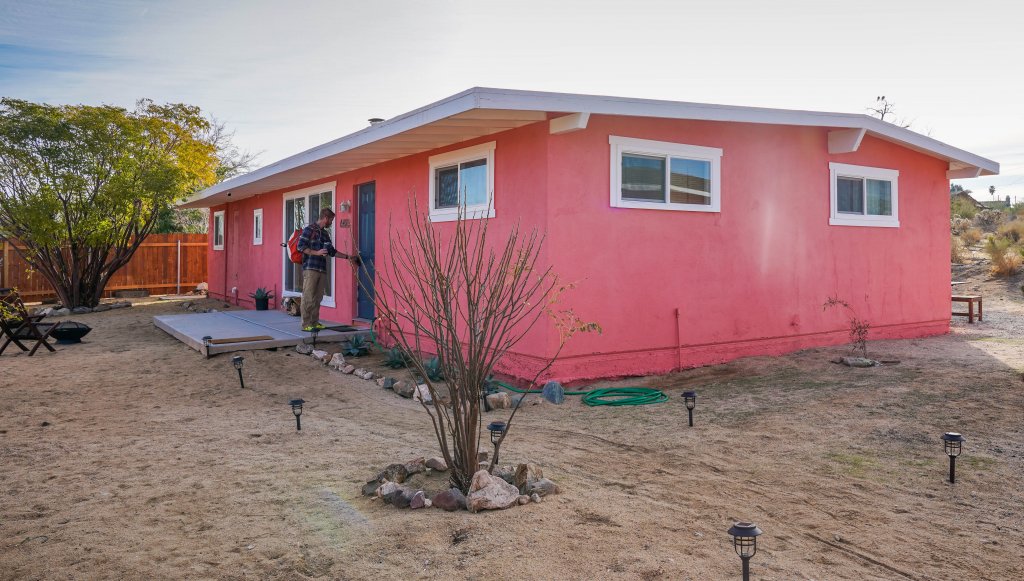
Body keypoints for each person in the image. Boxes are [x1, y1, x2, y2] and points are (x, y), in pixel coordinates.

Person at [296, 207, 356, 331]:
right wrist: (316, 253)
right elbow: (300, 247)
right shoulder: (309, 230)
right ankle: (306, 324)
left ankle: (314, 321)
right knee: (308, 296)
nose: (332, 223)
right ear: (325, 218)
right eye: (331, 220)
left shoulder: (325, 233)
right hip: (310, 268)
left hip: (321, 269)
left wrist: (348, 257)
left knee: (318, 297)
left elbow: (332, 252)